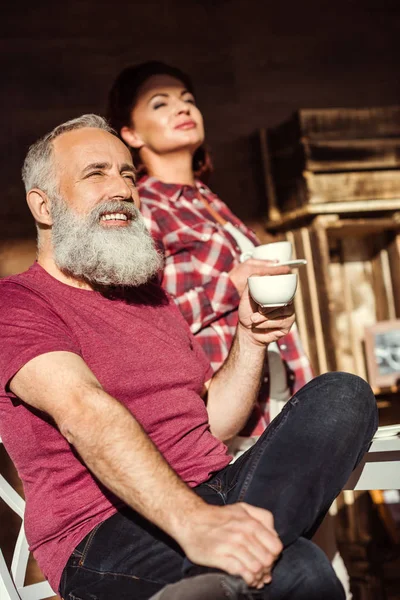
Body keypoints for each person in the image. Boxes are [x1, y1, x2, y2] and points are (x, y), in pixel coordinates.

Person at [0, 114, 378, 600]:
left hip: (219, 491)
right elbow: (84, 411)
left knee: (343, 393)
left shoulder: (149, 296)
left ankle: (225, 577)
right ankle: (232, 572)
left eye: (128, 175)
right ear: (43, 204)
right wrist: (195, 523)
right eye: (96, 173)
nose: (121, 188)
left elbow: (212, 421)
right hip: (103, 532)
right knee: (299, 568)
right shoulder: (18, 303)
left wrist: (251, 336)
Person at [107, 61, 313, 439]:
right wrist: (232, 285)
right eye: (160, 103)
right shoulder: (140, 210)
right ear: (131, 134)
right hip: (220, 419)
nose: (183, 108)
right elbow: (140, 328)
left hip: (277, 403)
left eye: (188, 99)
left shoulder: (212, 202)